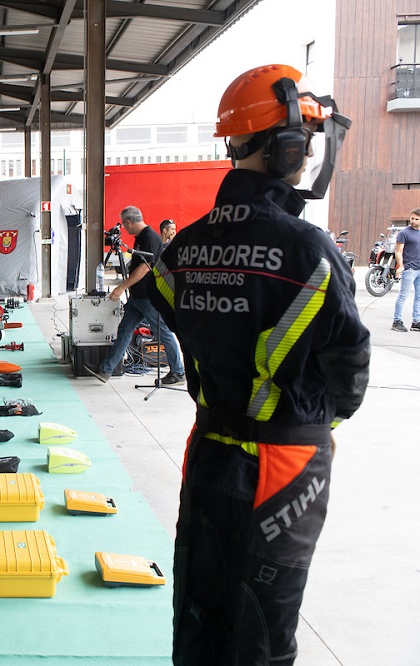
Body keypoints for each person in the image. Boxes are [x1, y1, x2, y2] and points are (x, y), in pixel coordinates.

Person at [147, 64, 370, 665]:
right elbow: (350, 373)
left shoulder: (185, 246)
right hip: (287, 462)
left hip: (209, 448)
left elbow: (165, 306)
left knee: (199, 607)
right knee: (263, 629)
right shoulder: (310, 250)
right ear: (289, 145)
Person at [84, 205, 185, 385]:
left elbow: (144, 269)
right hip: (137, 298)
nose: (124, 227)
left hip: (148, 297)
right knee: (124, 332)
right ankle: (106, 370)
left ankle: (178, 372)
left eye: (124, 224)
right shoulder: (141, 238)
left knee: (164, 333)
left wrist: (121, 287)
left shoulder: (150, 238)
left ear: (129, 222)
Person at [391, 208, 420, 332]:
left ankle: (416, 321)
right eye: (412, 218)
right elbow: (398, 251)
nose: (413, 221)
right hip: (409, 269)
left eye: (416, 219)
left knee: (419, 297)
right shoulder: (404, 233)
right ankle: (397, 321)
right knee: (403, 295)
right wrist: (401, 266)